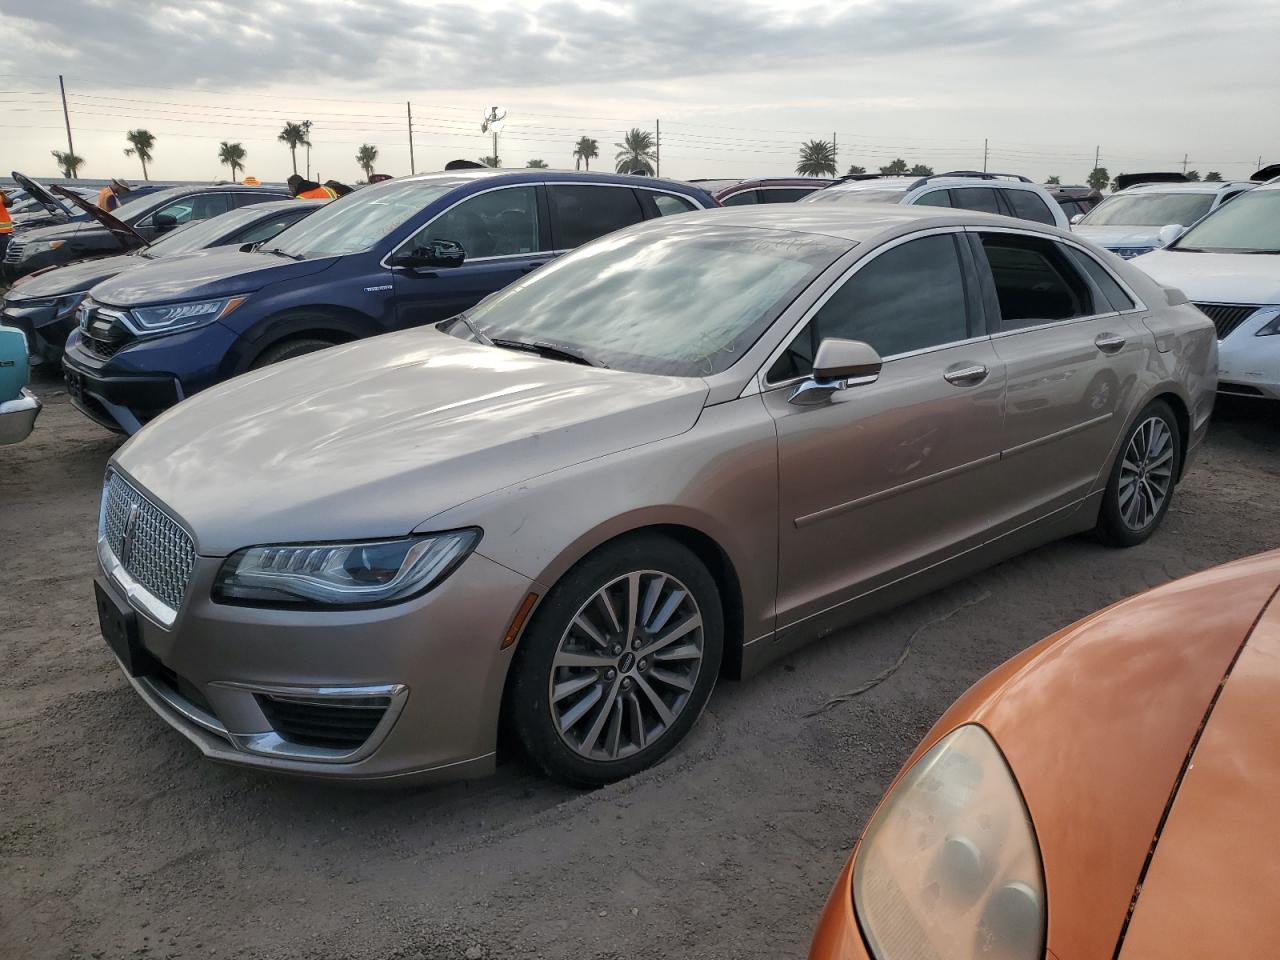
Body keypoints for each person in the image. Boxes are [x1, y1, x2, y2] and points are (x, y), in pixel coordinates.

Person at [0, 188, 12, 259]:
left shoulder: (1, 197)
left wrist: (3, 194)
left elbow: (9, 204)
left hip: (3, 233)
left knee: (4, 256)